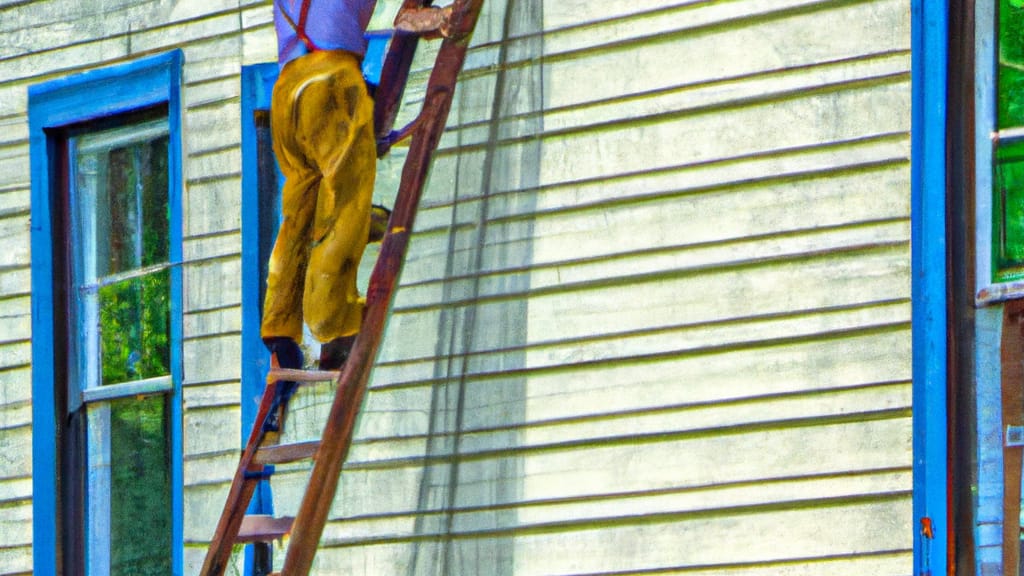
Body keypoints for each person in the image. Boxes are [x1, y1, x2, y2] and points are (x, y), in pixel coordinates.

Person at [261, 0, 381, 428]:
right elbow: (408, 18)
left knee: (299, 213)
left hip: (286, 89)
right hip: (330, 80)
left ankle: (280, 324)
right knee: (345, 202)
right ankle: (335, 323)